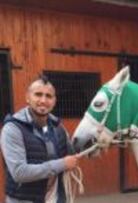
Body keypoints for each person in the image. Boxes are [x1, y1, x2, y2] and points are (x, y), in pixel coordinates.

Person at [0, 75, 79, 203]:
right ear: (28, 98)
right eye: (38, 94)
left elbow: (74, 152)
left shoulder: (58, 127)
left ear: (54, 101)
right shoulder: (12, 129)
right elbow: (20, 172)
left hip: (55, 198)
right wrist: (62, 164)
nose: (43, 100)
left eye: (48, 96)